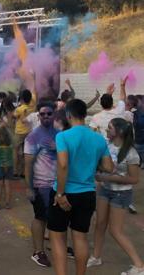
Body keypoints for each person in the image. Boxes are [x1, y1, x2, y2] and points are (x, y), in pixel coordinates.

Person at [48, 99, 114, 275]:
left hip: (64, 192)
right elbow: (109, 167)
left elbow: (63, 165)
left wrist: (60, 194)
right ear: (85, 115)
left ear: (68, 115)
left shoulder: (63, 136)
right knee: (80, 236)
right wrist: (91, 163)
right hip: (87, 194)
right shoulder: (98, 138)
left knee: (57, 237)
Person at [87, 118, 144, 275]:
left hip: (121, 194)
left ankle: (139, 265)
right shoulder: (108, 146)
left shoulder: (131, 154)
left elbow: (134, 179)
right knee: (99, 224)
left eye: (110, 128)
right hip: (105, 190)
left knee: (115, 230)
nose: (107, 130)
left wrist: (107, 178)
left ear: (118, 132)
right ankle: (96, 256)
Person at [23, 102, 59, 268]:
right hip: (40, 184)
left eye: (49, 114)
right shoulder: (33, 137)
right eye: (43, 114)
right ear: (38, 116)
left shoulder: (59, 135)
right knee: (40, 218)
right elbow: (28, 164)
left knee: (55, 218)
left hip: (57, 185)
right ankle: (38, 252)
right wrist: (29, 187)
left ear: (54, 115)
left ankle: (57, 246)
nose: (46, 116)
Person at [13, 74, 37, 178]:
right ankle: (23, 172)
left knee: (15, 150)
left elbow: (14, 117)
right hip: (29, 131)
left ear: (22, 98)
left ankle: (15, 171)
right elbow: (35, 91)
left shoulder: (19, 108)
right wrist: (34, 79)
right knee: (25, 151)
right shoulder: (33, 103)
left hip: (19, 132)